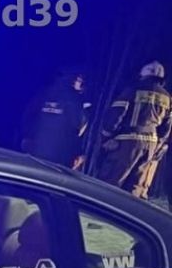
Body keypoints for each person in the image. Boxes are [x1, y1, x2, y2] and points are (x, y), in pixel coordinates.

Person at [97, 61, 172, 196]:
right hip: (151, 145)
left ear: (145, 73)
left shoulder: (132, 90)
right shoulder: (167, 98)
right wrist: (158, 146)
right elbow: (166, 127)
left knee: (110, 182)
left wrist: (106, 137)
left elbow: (116, 114)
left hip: (127, 142)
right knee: (135, 188)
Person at [20, 66, 88, 170]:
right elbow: (77, 125)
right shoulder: (74, 100)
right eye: (80, 80)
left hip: (34, 153)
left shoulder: (43, 94)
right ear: (74, 79)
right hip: (59, 157)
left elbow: (27, 119)